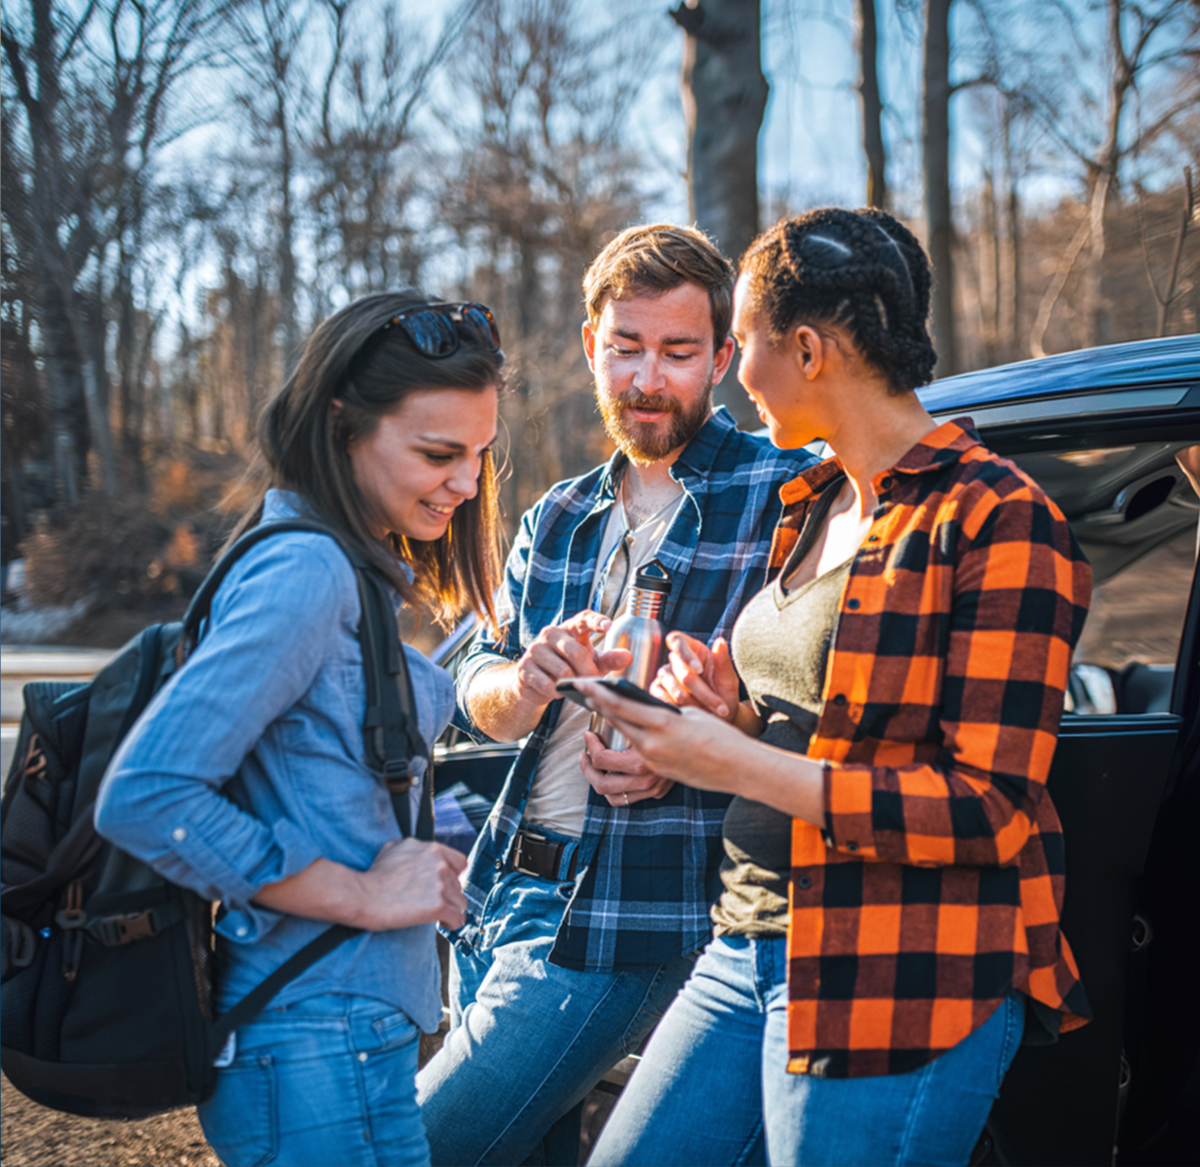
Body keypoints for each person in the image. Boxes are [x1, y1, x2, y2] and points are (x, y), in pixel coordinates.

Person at [578, 207, 1093, 1167]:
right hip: (747, 941)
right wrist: (726, 714)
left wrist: (731, 759)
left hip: (901, 971)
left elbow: (987, 809)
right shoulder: (814, 501)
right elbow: (822, 721)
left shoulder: (999, 522)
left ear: (807, 349)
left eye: (749, 345)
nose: (734, 371)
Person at [416, 224, 816, 1166]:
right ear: (590, 346)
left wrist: (686, 747)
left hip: (630, 917)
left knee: (413, 1146)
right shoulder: (555, 513)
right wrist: (518, 684)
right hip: (500, 889)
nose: (647, 378)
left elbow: (813, 710)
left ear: (722, 359)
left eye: (678, 353)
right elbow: (472, 678)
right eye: (626, 347)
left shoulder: (787, 493)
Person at [94, 291, 506, 1167]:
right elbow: (147, 792)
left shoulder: (340, 566)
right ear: (342, 424)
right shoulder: (307, 572)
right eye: (438, 452)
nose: (466, 483)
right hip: (314, 1038)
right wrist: (360, 893)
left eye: (478, 454)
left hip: (337, 1037)